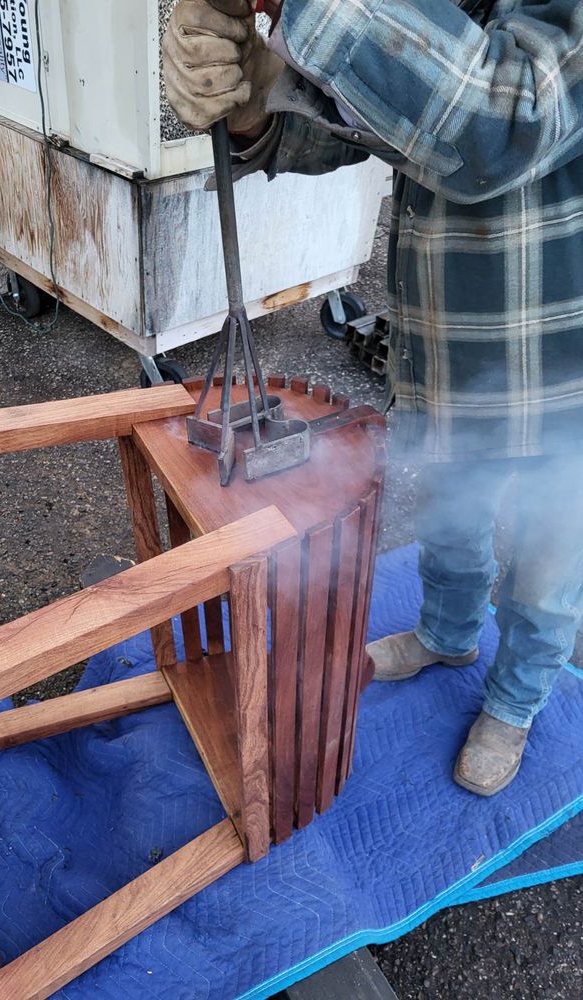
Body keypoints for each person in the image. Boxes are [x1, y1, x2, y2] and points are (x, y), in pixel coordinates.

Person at [162, 0, 583, 796]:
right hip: (451, 341)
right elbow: (402, 122)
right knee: (452, 516)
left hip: (561, 355)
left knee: (551, 551)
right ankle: (449, 636)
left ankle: (517, 700)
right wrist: (264, 109)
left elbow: (499, 119)